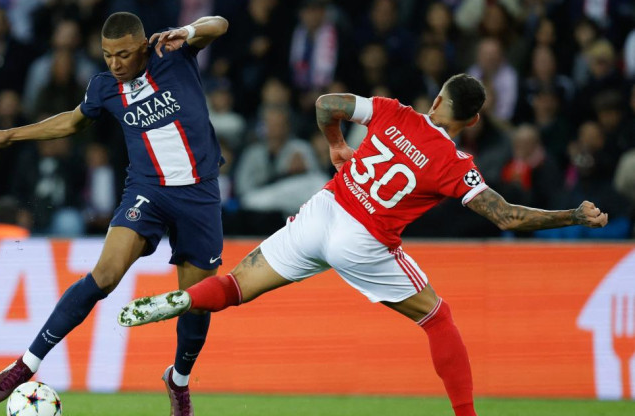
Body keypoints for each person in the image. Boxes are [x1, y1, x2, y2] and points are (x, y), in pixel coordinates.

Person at [118, 74, 609, 416]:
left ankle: (182, 299)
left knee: (235, 284)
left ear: (437, 100)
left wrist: (335, 142)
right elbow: (505, 216)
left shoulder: (394, 113)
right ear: (474, 120)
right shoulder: (456, 164)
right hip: (364, 240)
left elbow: (326, 104)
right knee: (438, 318)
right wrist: (572, 216)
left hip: (325, 209)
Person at [0, 12, 229, 415]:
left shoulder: (173, 56)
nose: (115, 64)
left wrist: (187, 31)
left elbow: (220, 24)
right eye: (107, 56)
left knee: (195, 302)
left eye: (123, 54)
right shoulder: (104, 88)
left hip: (200, 194)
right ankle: (27, 363)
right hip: (148, 192)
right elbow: (70, 123)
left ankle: (178, 381)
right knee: (104, 275)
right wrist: (10, 135)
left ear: (142, 45)